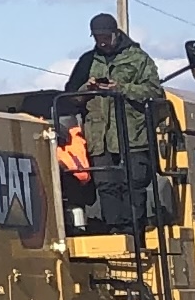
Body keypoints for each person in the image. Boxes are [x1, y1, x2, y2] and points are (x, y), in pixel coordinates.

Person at [62, 13, 168, 229]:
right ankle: (115, 231)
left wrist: (120, 88)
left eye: (105, 36)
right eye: (97, 37)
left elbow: (155, 92)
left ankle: (134, 232)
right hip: (99, 138)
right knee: (106, 185)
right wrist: (88, 89)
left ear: (116, 33)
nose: (101, 41)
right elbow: (70, 96)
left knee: (134, 184)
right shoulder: (87, 61)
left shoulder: (138, 58)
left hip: (133, 135)